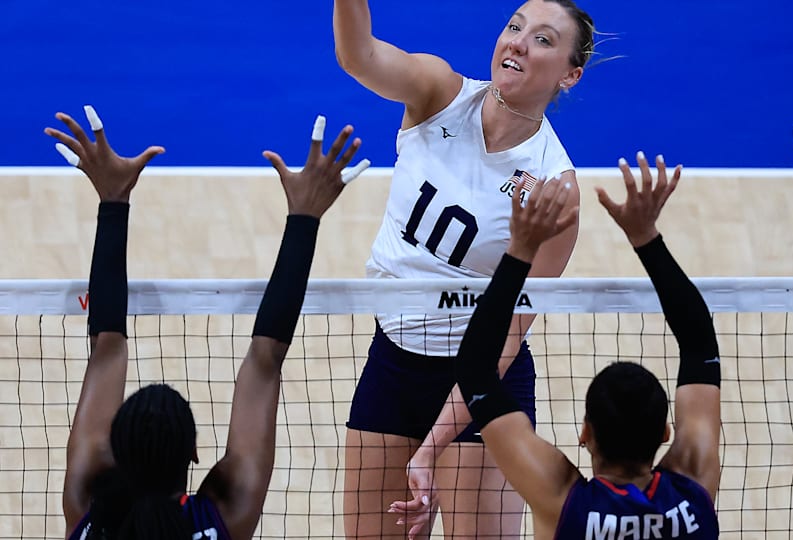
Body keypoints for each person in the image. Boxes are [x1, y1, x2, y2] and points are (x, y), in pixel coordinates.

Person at [332, 0, 596, 536]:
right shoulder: (437, 93)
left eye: (543, 39)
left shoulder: (554, 191)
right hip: (393, 362)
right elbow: (358, 56)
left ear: (570, 75)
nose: (518, 42)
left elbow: (506, 336)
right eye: (514, 27)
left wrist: (431, 448)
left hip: (479, 386)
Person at [45, 106, 364, 539]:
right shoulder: (222, 518)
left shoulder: (88, 511)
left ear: (112, 450)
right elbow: (265, 361)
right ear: (194, 453)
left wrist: (112, 201)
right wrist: (305, 218)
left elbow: (106, 346)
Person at [451, 153, 722, 539]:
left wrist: (520, 251)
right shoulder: (693, 490)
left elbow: (475, 371)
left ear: (585, 434)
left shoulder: (563, 501)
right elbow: (699, 346)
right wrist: (646, 237)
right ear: (665, 431)